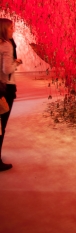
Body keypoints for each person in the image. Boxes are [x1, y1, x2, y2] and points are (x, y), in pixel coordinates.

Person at [0, 18, 22, 171]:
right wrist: (16, 63)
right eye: (10, 28)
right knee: (2, 125)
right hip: (5, 87)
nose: (12, 30)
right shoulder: (6, 45)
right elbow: (6, 70)